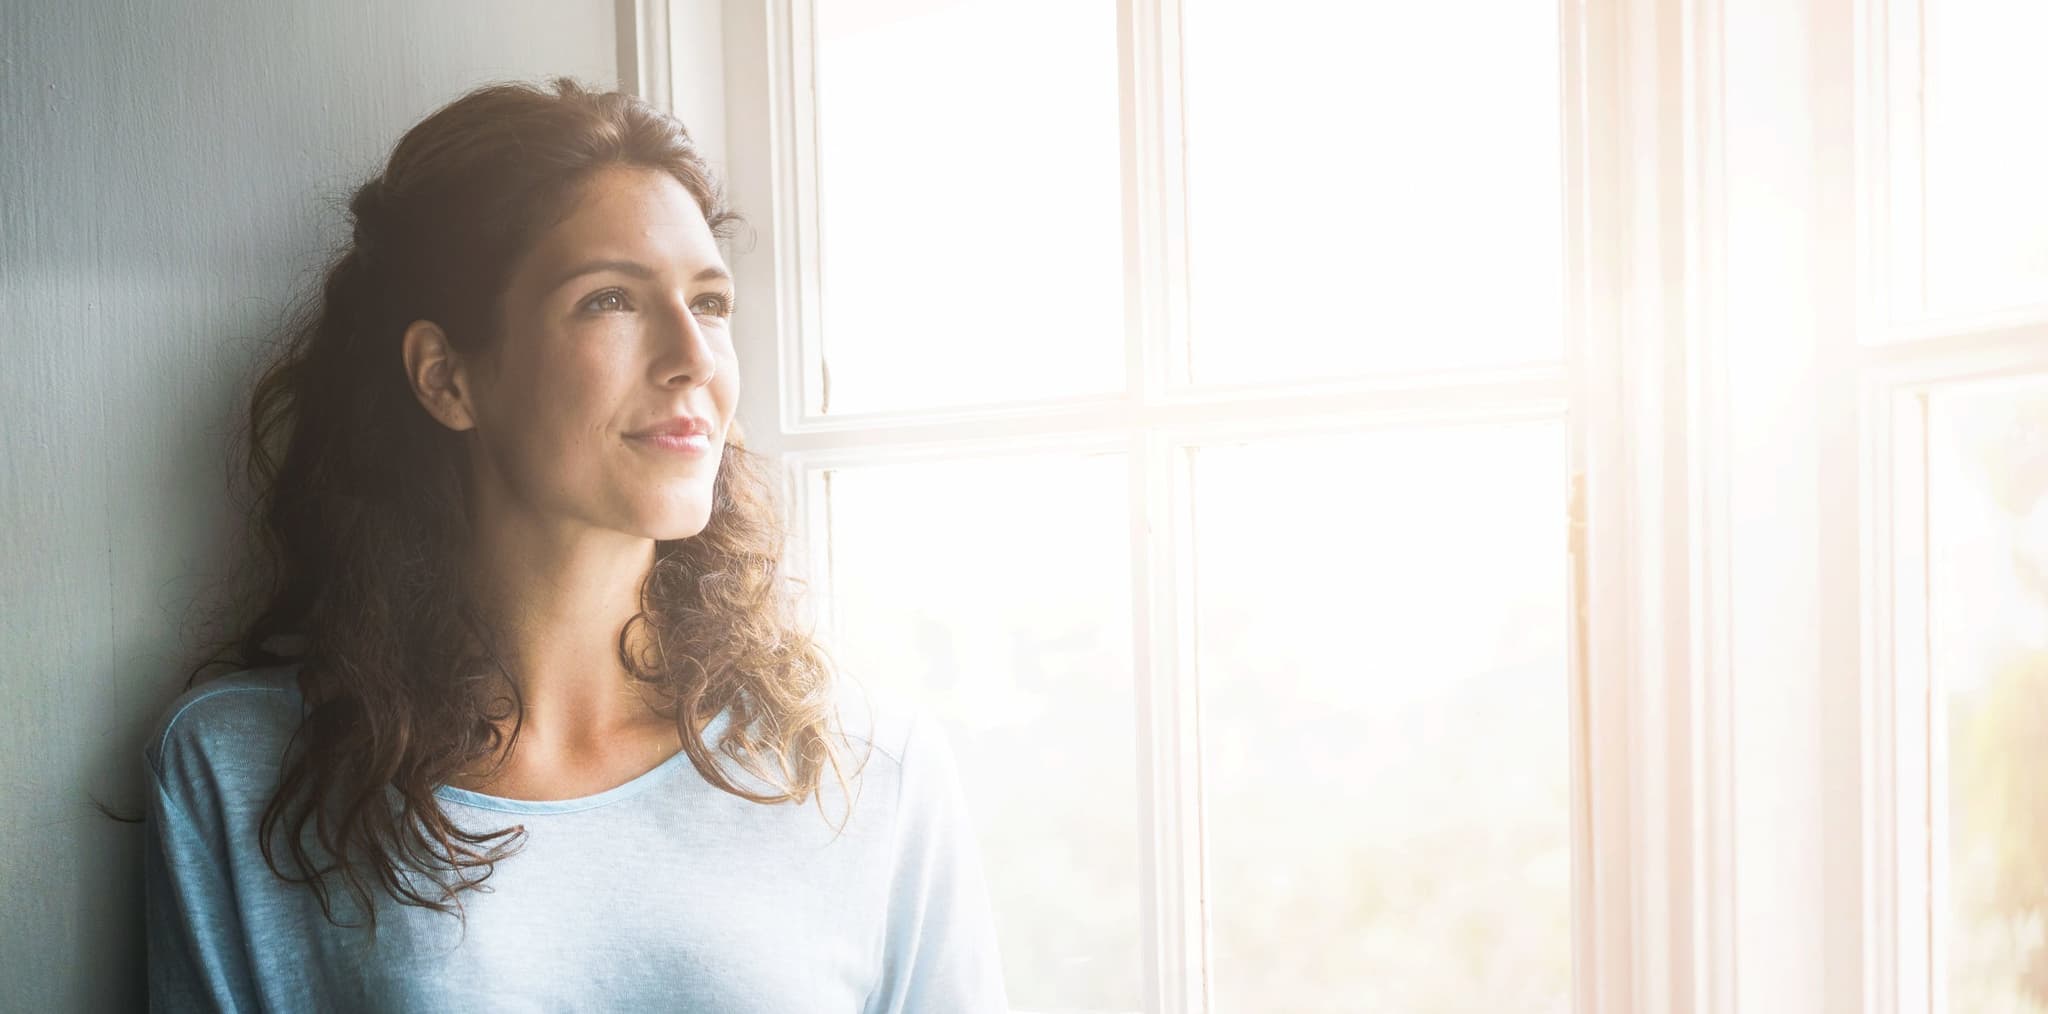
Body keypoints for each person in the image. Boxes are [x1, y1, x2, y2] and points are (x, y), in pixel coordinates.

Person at [141, 76, 1007, 1013]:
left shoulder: (865, 770)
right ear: (447, 378)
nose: (693, 358)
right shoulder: (246, 770)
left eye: (710, 303)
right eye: (610, 301)